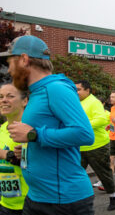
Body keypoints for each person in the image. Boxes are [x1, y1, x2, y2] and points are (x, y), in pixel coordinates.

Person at [3, 35, 95, 214]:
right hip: (38, 196)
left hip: (63, 202)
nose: (8, 70)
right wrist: (27, 150)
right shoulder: (37, 92)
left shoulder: (55, 88)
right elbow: (49, 136)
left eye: (10, 63)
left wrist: (34, 135)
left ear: (24, 59)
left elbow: (84, 134)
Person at [75, 80, 115, 211]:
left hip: (97, 145)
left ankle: (113, 197)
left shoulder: (93, 102)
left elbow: (100, 119)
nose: (76, 92)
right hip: (80, 146)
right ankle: (78, 199)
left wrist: (82, 125)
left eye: (79, 89)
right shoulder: (76, 102)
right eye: (75, 89)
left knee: (103, 173)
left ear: (87, 90)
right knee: (76, 173)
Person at [0, 83, 29, 215]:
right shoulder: (2, 129)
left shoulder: (32, 130)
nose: (3, 100)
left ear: (25, 101)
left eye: (10, 96)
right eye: (0, 97)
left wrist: (7, 155)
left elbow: (38, 163)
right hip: (6, 202)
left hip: (31, 203)